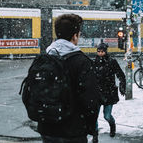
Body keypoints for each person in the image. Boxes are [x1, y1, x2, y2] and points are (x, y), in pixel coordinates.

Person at [39, 13, 101, 143]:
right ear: (75, 36)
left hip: (47, 129)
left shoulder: (45, 58)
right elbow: (91, 100)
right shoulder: (82, 62)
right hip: (73, 132)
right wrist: (88, 127)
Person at [92, 42, 126, 142]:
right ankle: (95, 135)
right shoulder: (94, 62)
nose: (100, 53)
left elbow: (121, 75)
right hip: (97, 93)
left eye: (102, 51)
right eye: (98, 51)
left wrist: (122, 85)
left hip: (109, 92)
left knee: (107, 116)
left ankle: (112, 125)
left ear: (105, 52)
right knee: (94, 116)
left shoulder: (112, 62)